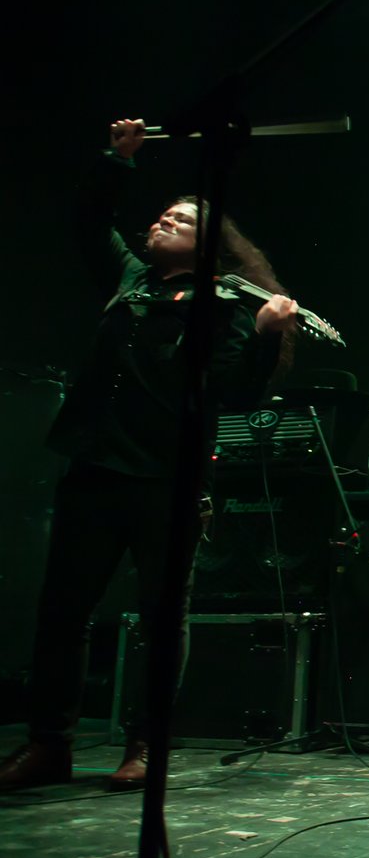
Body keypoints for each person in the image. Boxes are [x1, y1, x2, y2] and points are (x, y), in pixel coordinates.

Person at [0, 118, 299, 792]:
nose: (163, 221)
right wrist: (117, 160)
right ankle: (48, 745)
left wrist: (262, 336)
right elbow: (88, 221)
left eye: (182, 219)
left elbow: (231, 395)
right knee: (62, 611)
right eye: (163, 214)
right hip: (94, 467)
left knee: (163, 620)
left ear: (209, 245)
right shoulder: (132, 279)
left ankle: (145, 745)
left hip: (167, 477)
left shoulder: (226, 306)